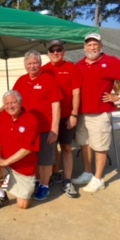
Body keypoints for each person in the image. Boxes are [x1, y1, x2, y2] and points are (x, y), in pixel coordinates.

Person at [72, 33, 120, 192]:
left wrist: (117, 97)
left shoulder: (111, 62)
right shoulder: (79, 65)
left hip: (100, 113)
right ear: (85, 47)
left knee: (100, 147)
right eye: (89, 45)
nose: (92, 47)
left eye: (95, 44)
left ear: (101, 46)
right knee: (85, 144)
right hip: (81, 114)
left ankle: (98, 179)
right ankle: (87, 173)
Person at [13, 50, 61, 201]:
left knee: (46, 160)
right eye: (29, 64)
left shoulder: (48, 80)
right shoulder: (21, 80)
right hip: (26, 130)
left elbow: (56, 106)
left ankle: (45, 186)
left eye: (35, 63)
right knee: (28, 158)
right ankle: (32, 182)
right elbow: (13, 100)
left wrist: (54, 129)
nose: (32, 66)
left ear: (40, 64)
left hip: (46, 129)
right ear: (25, 66)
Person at [0, 90, 40, 211]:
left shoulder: (31, 120)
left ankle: (33, 184)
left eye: (13, 102)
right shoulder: (2, 115)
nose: (10, 106)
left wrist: (5, 162)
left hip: (24, 167)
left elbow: (27, 149)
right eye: (7, 104)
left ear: (20, 103)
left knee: (23, 205)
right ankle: (1, 196)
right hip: (5, 161)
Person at [42, 40, 81, 198]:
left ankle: (67, 180)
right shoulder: (43, 70)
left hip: (66, 116)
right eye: (52, 50)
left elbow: (76, 93)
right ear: (48, 53)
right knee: (51, 148)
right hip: (49, 118)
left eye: (59, 50)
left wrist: (74, 114)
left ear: (64, 52)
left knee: (66, 148)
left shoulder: (72, 68)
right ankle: (54, 173)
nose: (56, 53)